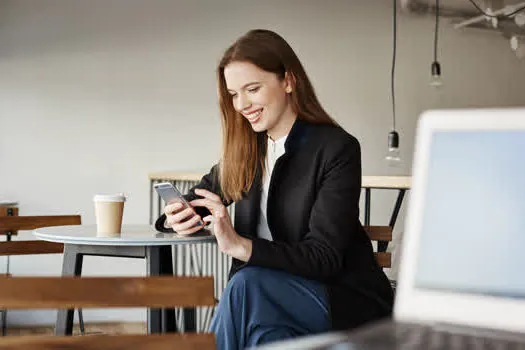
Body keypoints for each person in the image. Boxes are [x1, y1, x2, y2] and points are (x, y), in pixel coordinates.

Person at [155, 29, 394, 349]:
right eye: (234, 94)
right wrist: (176, 215)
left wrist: (241, 246)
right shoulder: (247, 151)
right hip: (265, 303)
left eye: (252, 89)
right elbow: (200, 196)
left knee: (244, 285)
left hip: (339, 300)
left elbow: (324, 258)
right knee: (262, 335)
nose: (242, 104)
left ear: (288, 81)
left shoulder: (337, 149)